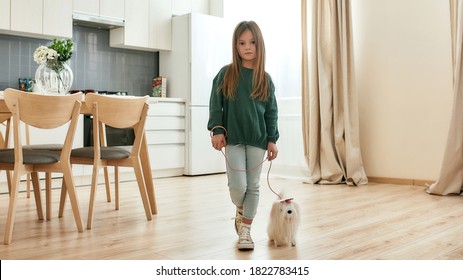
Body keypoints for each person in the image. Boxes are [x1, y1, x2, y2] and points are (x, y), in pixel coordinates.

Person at [208, 20, 279, 251]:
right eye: (242, 43)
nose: (247, 47)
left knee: (254, 186)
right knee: (238, 186)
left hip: (258, 140)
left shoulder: (265, 79)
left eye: (252, 42)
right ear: (235, 46)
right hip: (234, 138)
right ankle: (240, 210)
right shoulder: (226, 74)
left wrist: (272, 139)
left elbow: (271, 112)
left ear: (260, 46)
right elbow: (215, 104)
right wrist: (217, 129)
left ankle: (246, 230)